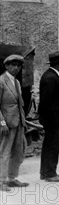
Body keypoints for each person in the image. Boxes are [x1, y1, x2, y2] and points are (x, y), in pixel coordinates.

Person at [39, 51, 59, 182]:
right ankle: (50, 173)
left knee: (48, 145)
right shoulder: (51, 78)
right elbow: (47, 101)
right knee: (52, 145)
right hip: (53, 119)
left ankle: (45, 172)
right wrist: (53, 119)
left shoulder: (52, 75)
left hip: (52, 119)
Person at [0, 55, 28, 190]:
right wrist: (2, 122)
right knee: (4, 152)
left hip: (18, 122)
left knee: (18, 150)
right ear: (6, 66)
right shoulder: (1, 81)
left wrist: (24, 121)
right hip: (6, 123)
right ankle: (1, 181)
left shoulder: (16, 82)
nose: (16, 68)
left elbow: (19, 104)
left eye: (18, 65)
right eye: (13, 65)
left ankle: (12, 178)